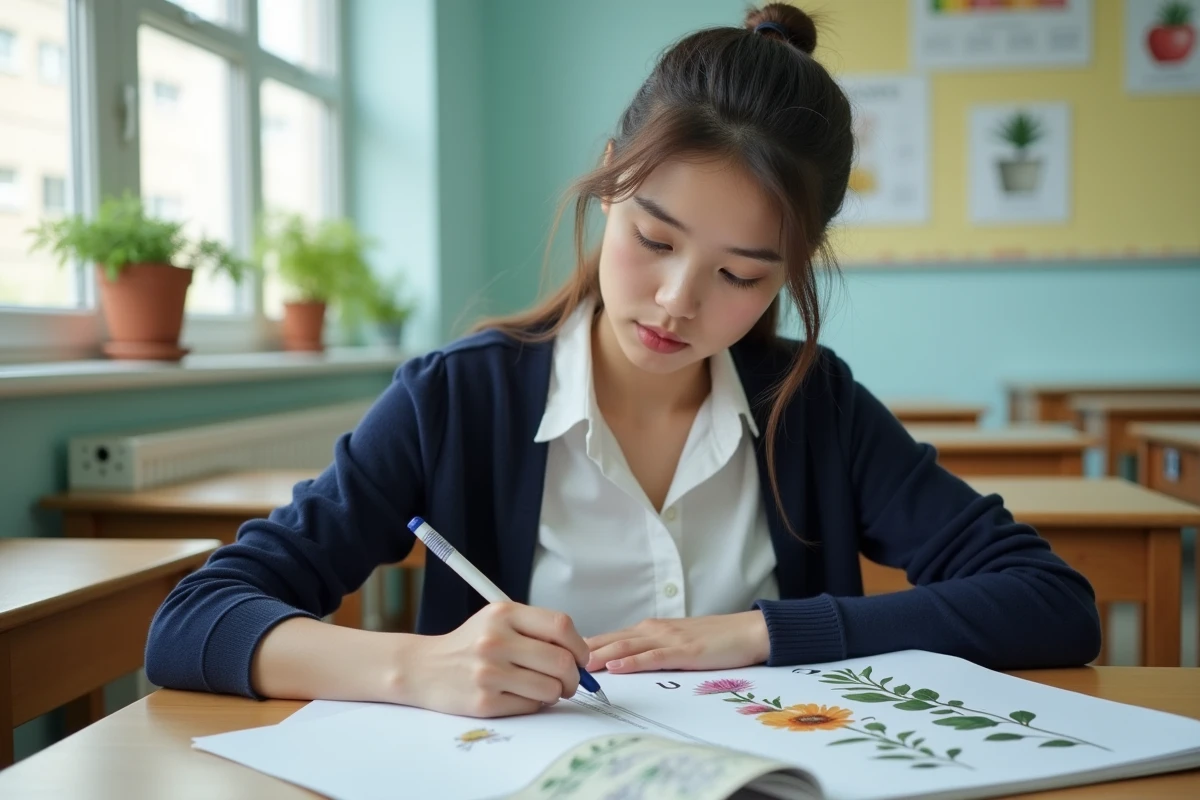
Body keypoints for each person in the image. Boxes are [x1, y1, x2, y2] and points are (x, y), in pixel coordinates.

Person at [144, 3, 1101, 720]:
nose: (679, 300)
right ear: (612, 181)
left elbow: (1052, 606)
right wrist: (417, 668)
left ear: (790, 275)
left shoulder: (816, 408)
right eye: (654, 237)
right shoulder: (457, 400)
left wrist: (765, 634)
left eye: (738, 273)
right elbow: (192, 623)